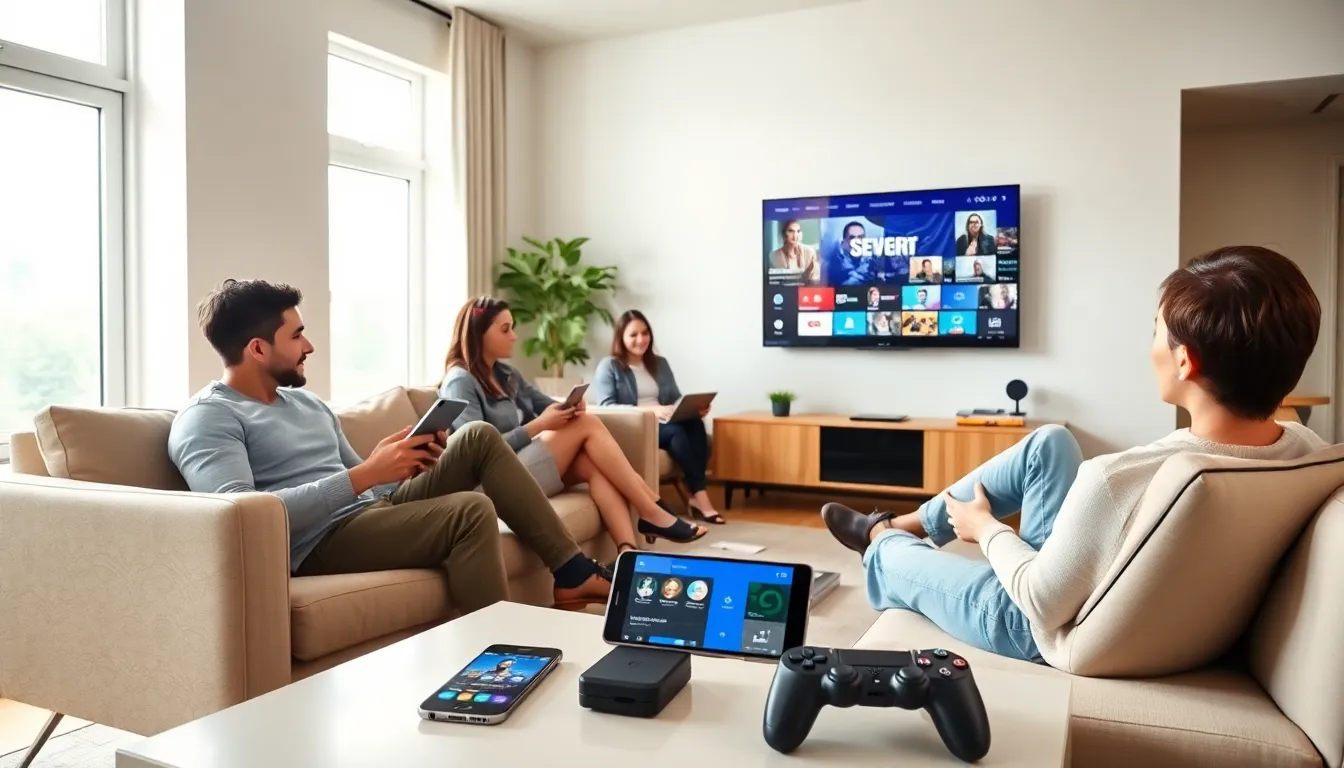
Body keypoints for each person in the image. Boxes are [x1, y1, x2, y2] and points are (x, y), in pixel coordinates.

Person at [819, 245, 1328, 666]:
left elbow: (1039, 602)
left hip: (1035, 625)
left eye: (1155, 328)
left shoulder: (1117, 479)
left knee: (889, 557)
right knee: (1049, 442)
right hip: (1087, 589)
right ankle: (912, 521)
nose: (1150, 344)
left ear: (1183, 360)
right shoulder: (1309, 451)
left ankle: (880, 538)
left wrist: (986, 529)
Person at [168, 279, 612, 615]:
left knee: (476, 436)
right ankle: (499, 661)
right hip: (314, 544)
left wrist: (398, 463)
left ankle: (572, 572)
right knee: (468, 510)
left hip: (366, 514)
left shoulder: (305, 402)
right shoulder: (209, 418)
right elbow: (240, 515)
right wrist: (367, 474)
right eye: (297, 335)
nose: (310, 345)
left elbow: (367, 487)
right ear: (258, 349)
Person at [438, 297, 707, 561]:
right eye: (506, 329)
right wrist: (540, 425)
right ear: (479, 335)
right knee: (587, 425)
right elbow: (475, 452)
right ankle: (652, 510)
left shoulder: (505, 375)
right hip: (490, 484)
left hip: (515, 468)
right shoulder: (460, 381)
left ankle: (628, 553)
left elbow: (546, 404)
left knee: (594, 463)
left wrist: (571, 407)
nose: (515, 336)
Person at [593, 310, 725, 525]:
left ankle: (697, 496)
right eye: (633, 335)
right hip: (637, 426)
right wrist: (651, 410)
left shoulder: (659, 363)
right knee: (677, 433)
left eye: (645, 333)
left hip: (665, 420)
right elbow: (606, 407)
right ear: (621, 337)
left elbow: (674, 398)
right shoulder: (610, 366)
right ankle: (701, 498)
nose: (641, 339)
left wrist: (692, 408)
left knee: (694, 424)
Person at [768, 219, 819, 284]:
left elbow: (815, 282)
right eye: (791, 231)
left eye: (798, 231)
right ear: (784, 235)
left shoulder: (809, 252)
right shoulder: (774, 256)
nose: (795, 236)